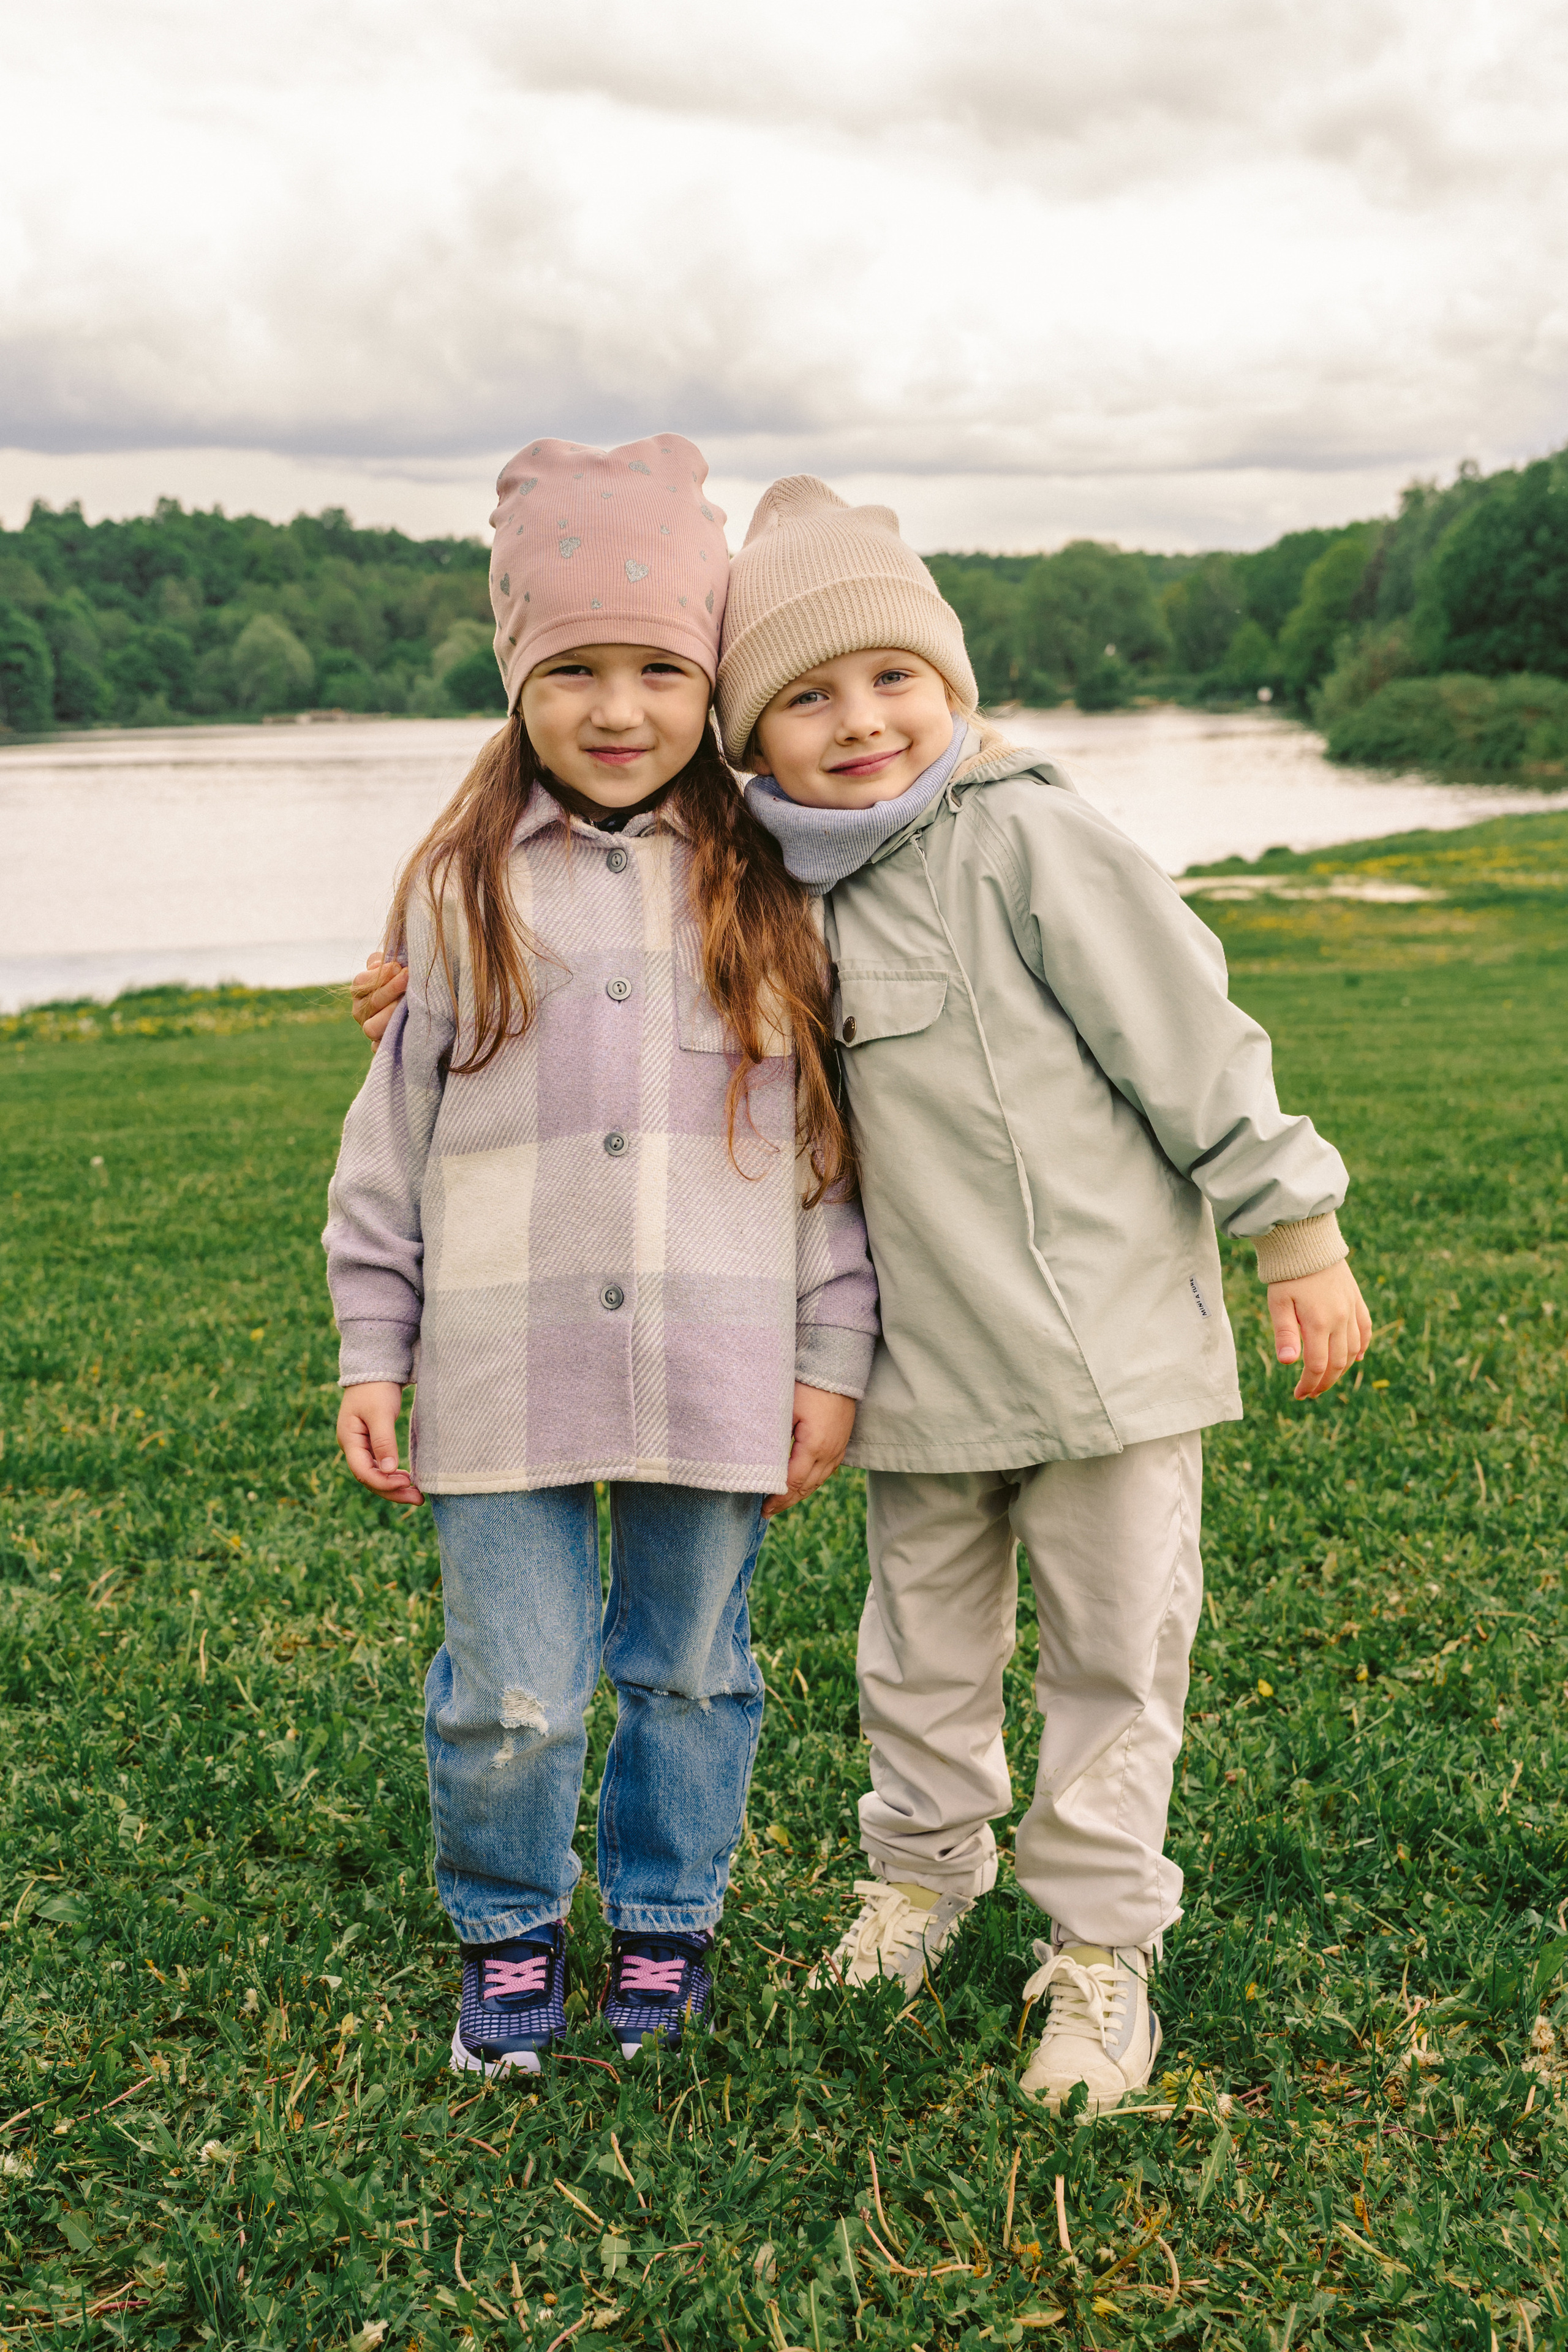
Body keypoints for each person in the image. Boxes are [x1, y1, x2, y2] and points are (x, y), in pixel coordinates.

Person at [707, 475, 1372, 2114]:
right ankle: (922, 1879)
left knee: (1112, 1662)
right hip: (921, 1372)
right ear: (751, 740)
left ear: (953, 684)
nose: (861, 721)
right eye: (807, 695)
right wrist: (436, 970)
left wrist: (1297, 1225)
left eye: (893, 679)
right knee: (918, 1656)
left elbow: (1185, 1035)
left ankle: (1097, 1950)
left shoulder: (1031, 835)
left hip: (1105, 1368)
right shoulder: (774, 892)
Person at [324, 437, 878, 2078]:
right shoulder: (458, 888)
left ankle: (664, 1927)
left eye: (659, 668)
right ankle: (508, 1934)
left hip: (720, 1363)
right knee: (516, 1689)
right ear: (517, 682)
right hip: (503, 1366)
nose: (619, 707)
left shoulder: (777, 886)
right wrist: (375, 1344)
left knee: (692, 1669)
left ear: (712, 681)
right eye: (574, 669)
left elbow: (825, 1167)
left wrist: (829, 1363)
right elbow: (390, 1146)